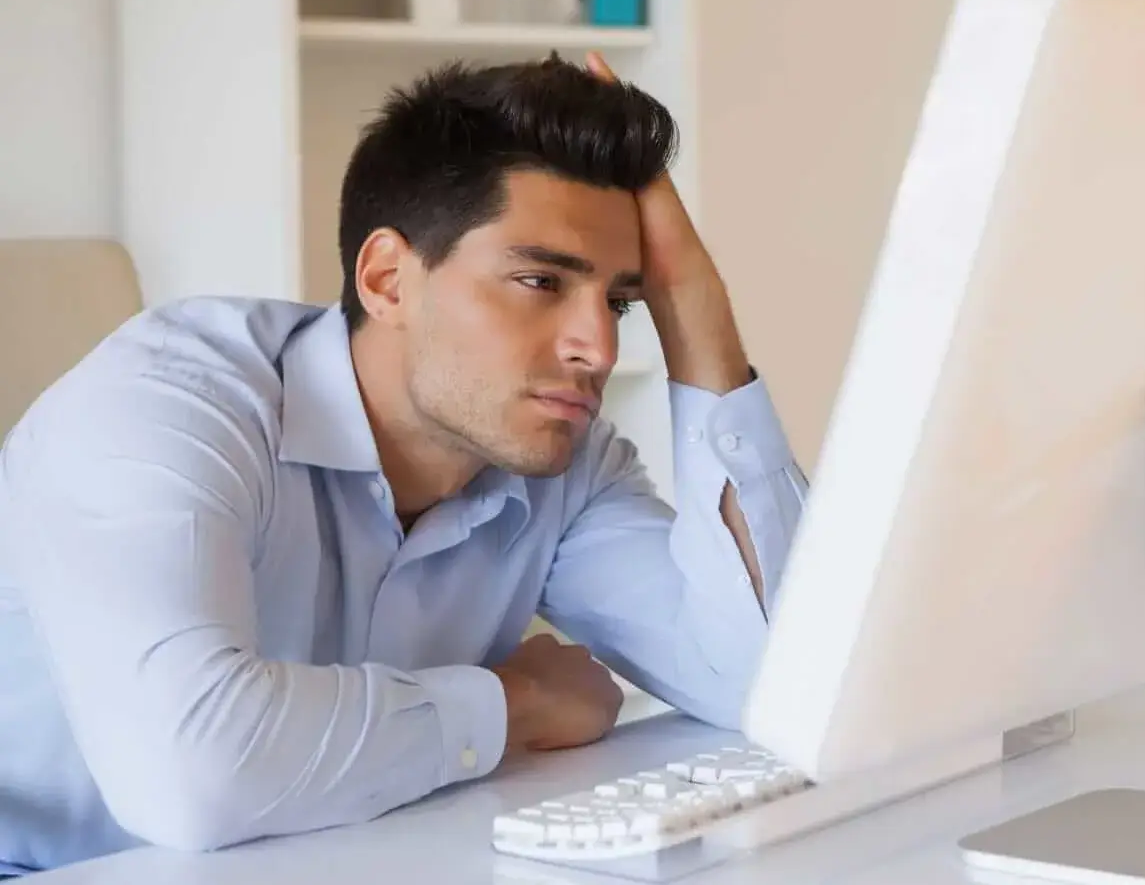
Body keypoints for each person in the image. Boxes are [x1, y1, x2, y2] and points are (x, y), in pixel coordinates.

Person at [0, 52, 807, 873]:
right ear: (387, 278)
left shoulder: (562, 462)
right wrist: (511, 704)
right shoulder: (165, 407)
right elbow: (191, 775)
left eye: (622, 303)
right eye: (539, 281)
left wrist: (696, 314)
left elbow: (784, 688)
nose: (596, 347)